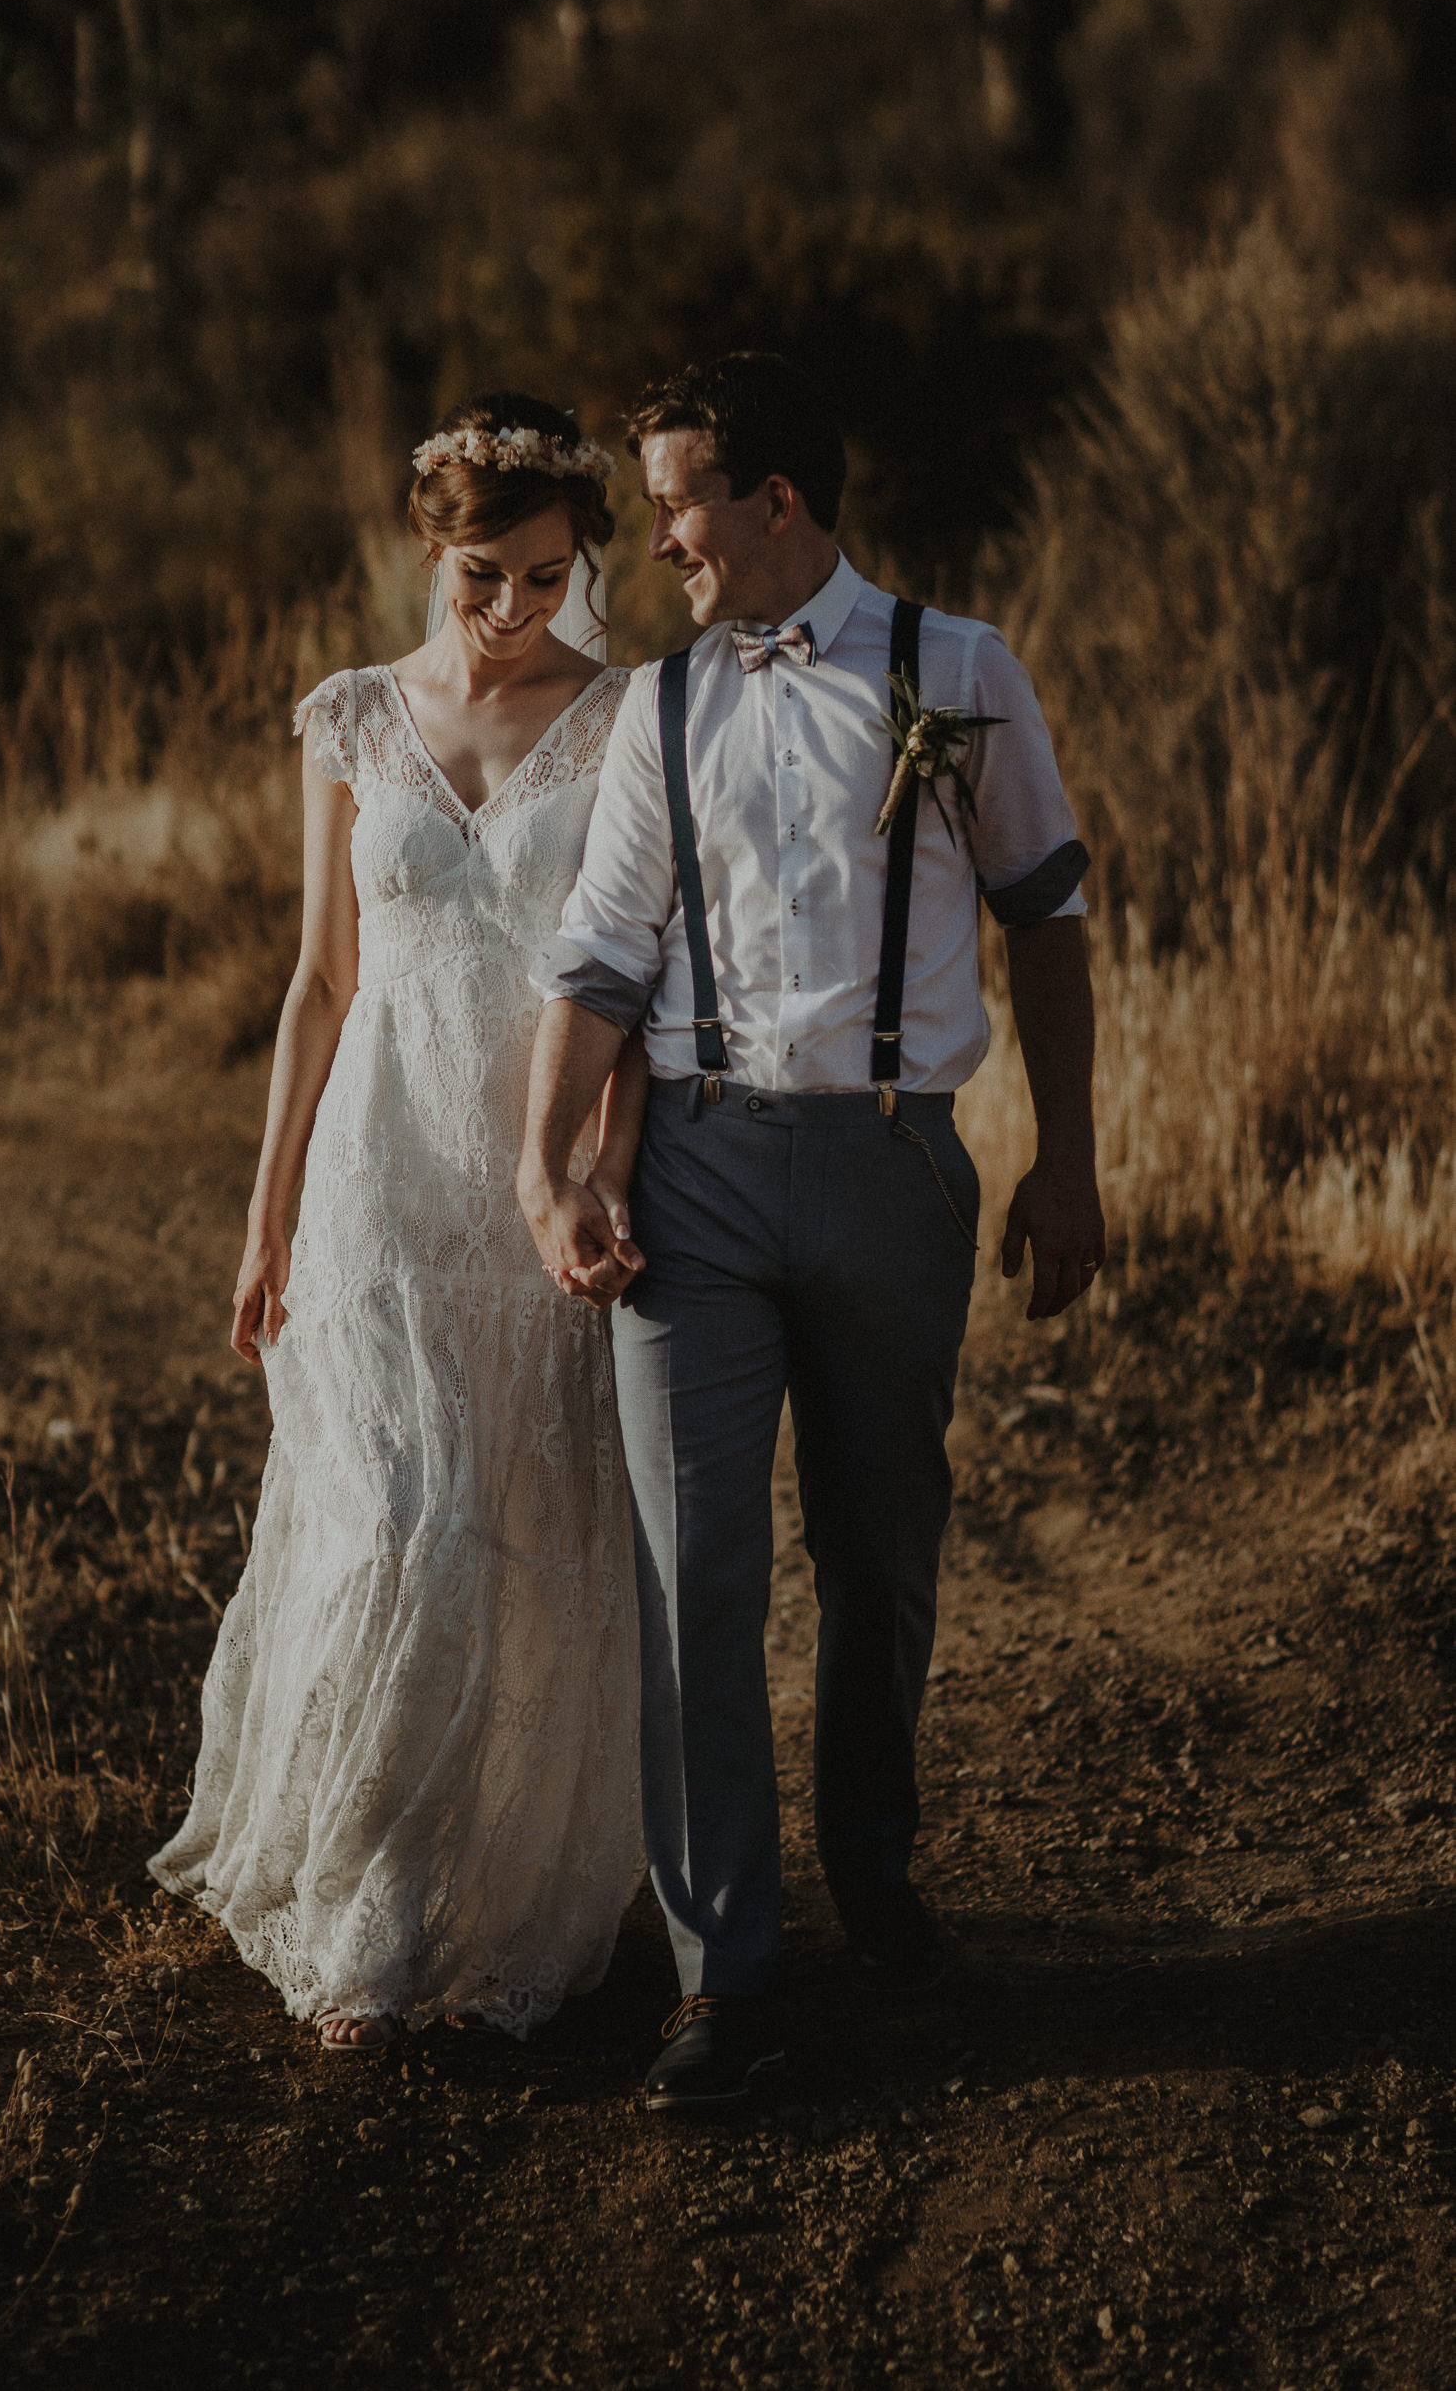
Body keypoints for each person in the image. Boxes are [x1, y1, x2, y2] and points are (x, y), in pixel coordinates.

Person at [517, 352, 1105, 2110]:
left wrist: (1069, 1162)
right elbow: (603, 955)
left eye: (683, 498)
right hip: (686, 1177)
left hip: (891, 1164)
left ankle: (873, 1862)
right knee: (694, 1577)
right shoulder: (660, 708)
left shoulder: (958, 668)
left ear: (779, 501)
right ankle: (727, 1977)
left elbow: (1048, 916)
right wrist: (555, 1165)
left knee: (881, 1555)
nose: (663, 536)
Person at [151, 395, 646, 2051]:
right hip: (378, 1174)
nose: (512, 612)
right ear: (432, 550)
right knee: (390, 1521)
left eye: (546, 578)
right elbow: (319, 978)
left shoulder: (622, 719)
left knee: (512, 1532)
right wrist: (265, 1205)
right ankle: (375, 1903)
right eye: (482, 577)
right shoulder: (353, 719)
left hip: (534, 1185)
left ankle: (504, 1899)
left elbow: (644, 987)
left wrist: (606, 1169)